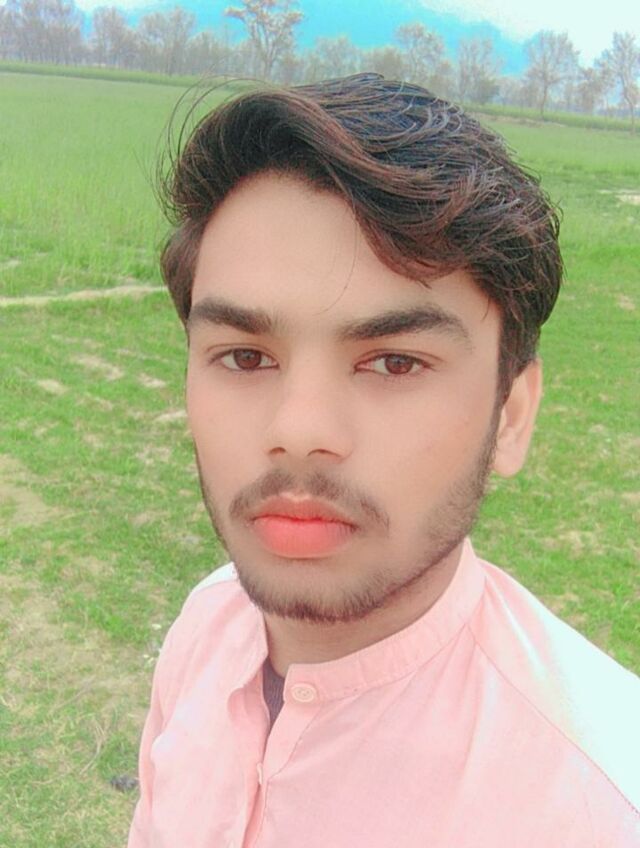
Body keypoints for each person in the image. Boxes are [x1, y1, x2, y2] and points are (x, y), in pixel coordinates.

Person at [127, 74, 639, 847]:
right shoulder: (206, 623)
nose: (299, 430)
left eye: (395, 363)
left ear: (511, 414)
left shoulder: (600, 806)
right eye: (244, 356)